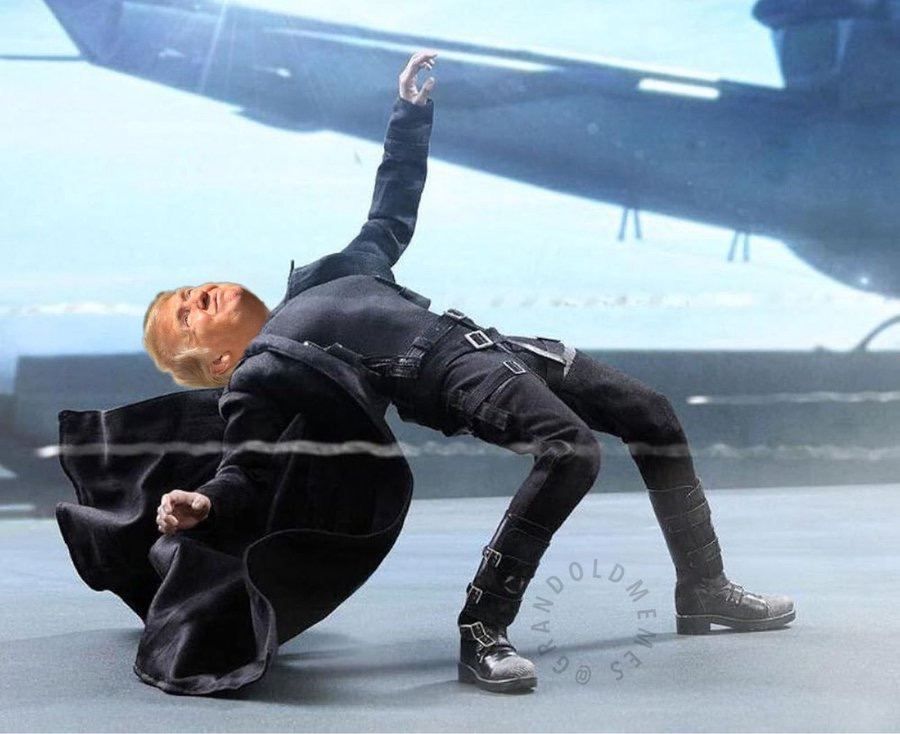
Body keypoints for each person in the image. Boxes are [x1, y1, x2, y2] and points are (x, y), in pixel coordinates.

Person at [143, 50, 795, 694]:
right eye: (185, 316)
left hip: (500, 347)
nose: (197, 297)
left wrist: (410, 113)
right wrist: (208, 502)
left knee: (651, 414)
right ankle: (482, 627)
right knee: (570, 452)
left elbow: (390, 210)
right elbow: (247, 470)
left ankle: (704, 586)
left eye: (190, 291)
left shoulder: (337, 271)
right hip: (450, 379)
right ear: (217, 362)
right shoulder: (261, 373)